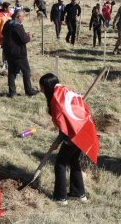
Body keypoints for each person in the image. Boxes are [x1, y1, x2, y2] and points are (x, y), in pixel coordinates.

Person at [39, 73, 97, 205]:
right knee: (73, 160)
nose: (41, 89)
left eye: (41, 87)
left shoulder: (56, 99)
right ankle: (78, 193)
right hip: (82, 129)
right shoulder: (64, 91)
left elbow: (66, 122)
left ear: (47, 86)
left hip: (75, 132)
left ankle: (61, 197)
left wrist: (59, 141)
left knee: (60, 163)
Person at [3, 10, 39, 97]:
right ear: (18, 17)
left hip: (8, 52)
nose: (23, 18)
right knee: (26, 71)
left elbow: (3, 33)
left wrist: (23, 35)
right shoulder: (17, 26)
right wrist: (28, 36)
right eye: (23, 17)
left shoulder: (7, 24)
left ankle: (12, 93)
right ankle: (29, 91)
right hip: (18, 53)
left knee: (12, 72)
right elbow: (24, 39)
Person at [0, 2, 12, 69]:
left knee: (10, 50)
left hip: (10, 36)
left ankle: (9, 63)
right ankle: (4, 63)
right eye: (9, 7)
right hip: (3, 36)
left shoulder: (11, 15)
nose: (10, 8)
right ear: (5, 8)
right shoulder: (0, 16)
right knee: (4, 50)